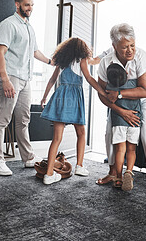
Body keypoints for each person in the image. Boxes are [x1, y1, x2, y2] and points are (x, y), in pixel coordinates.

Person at [96, 23, 146, 198]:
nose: (130, 50)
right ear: (114, 47)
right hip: (120, 101)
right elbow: (103, 94)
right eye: (125, 47)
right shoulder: (106, 62)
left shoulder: (141, 57)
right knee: (109, 130)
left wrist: (119, 94)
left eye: (132, 45)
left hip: (145, 98)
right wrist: (120, 111)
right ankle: (114, 172)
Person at [0, 0, 52, 176]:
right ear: (17, 4)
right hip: (10, 77)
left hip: (25, 79)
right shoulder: (8, 24)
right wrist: (5, 80)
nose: (30, 8)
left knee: (24, 119)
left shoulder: (29, 28)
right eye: (27, 5)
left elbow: (35, 52)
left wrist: (51, 61)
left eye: (32, 5)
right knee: (3, 119)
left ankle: (28, 158)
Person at [40, 37, 110, 185]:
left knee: (56, 138)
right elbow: (89, 78)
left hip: (60, 96)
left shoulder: (62, 62)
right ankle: (79, 166)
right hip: (73, 97)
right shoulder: (81, 59)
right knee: (81, 133)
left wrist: (44, 97)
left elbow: (52, 80)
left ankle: (48, 174)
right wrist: (103, 92)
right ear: (82, 50)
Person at [105, 63, 142, 191]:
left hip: (118, 121)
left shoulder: (110, 88)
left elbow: (108, 99)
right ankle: (129, 172)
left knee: (120, 150)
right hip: (135, 120)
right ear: (126, 73)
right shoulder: (134, 84)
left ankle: (119, 177)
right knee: (131, 150)